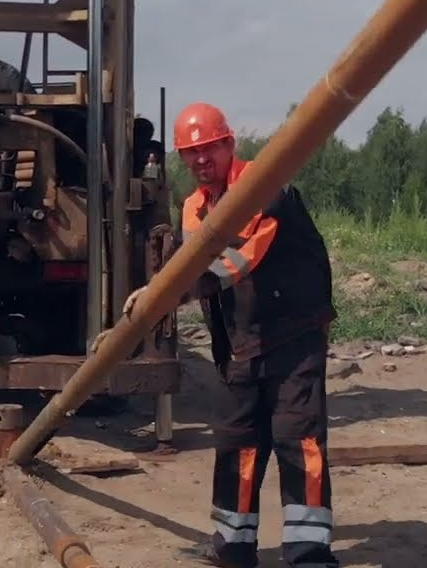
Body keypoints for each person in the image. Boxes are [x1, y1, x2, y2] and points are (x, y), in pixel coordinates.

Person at [117, 102, 339, 568]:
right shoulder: (195, 207)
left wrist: (163, 295)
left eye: (209, 149)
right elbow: (187, 263)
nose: (201, 160)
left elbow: (232, 264)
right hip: (240, 344)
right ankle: (233, 546)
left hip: (292, 337)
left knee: (297, 439)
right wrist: (153, 290)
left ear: (229, 144)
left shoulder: (264, 187)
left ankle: (307, 552)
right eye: (190, 153)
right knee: (236, 441)